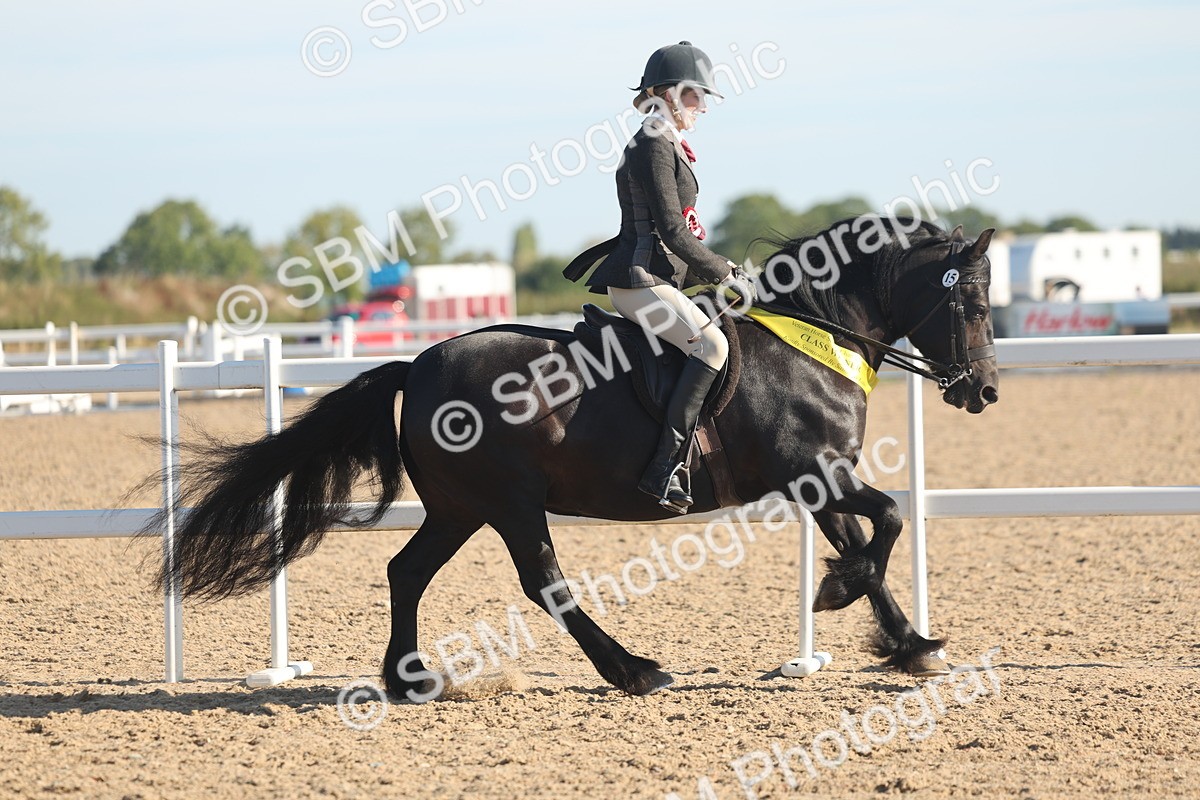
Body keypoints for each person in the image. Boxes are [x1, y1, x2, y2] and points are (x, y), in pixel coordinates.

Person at [562, 41, 755, 514]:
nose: (702, 105)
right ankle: (665, 468)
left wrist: (719, 269)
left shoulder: (665, 142)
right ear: (666, 94)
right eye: (694, 95)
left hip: (659, 278)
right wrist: (724, 272)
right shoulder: (652, 142)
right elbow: (671, 229)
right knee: (712, 347)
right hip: (640, 280)